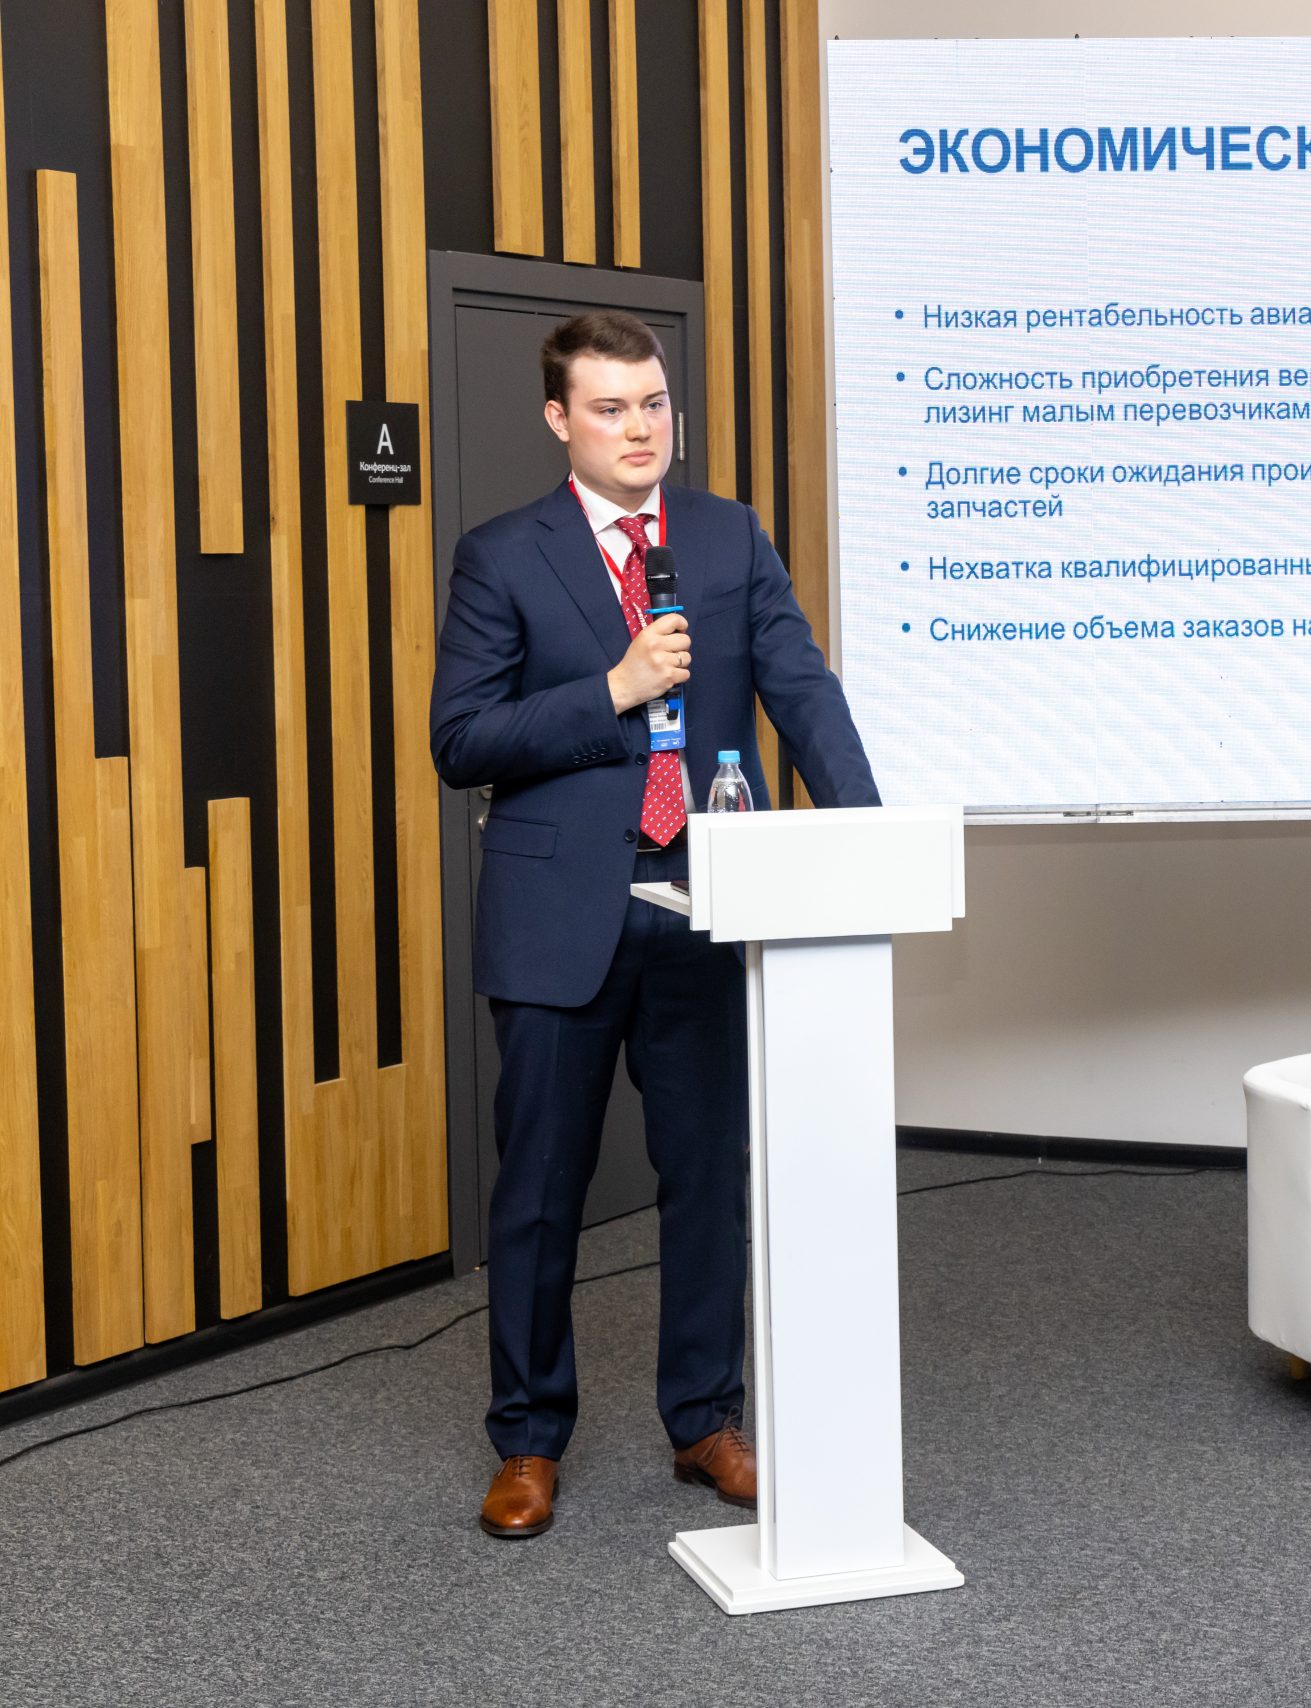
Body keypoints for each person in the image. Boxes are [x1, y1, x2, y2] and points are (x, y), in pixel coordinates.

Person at [429, 310, 880, 1537]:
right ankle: (528, 1440)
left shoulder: (728, 534)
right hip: (558, 913)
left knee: (708, 1180)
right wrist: (613, 689)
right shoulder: (501, 555)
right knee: (540, 1190)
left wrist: (863, 834)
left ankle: (704, 1419)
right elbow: (461, 739)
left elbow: (801, 688)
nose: (640, 429)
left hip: (710, 899)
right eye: (611, 408)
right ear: (558, 419)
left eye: (654, 404)